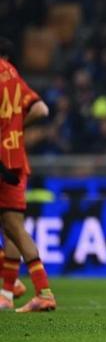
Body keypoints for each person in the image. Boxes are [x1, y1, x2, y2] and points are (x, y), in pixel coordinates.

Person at [0, 37, 55, 312]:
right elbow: (41, 109)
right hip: (14, 157)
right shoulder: (12, 75)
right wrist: (15, 127)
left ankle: (11, 288)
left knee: (13, 228)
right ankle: (20, 291)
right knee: (14, 228)